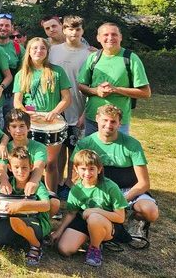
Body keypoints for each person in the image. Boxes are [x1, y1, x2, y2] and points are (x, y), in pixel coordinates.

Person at [72, 104, 159, 241]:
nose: (108, 125)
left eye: (113, 121)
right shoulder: (84, 143)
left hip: (127, 190)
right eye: (105, 120)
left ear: (120, 124)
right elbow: (75, 177)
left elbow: (144, 183)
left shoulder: (132, 144)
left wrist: (122, 201)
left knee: (151, 212)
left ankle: (136, 221)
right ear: (97, 119)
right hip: (99, 189)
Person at [13, 37, 71, 196]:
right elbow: (17, 101)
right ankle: (28, 194)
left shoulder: (57, 71)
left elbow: (67, 98)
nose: (39, 51)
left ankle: (52, 196)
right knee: (29, 161)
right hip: (30, 122)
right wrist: (26, 113)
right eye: (35, 48)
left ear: (47, 51)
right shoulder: (22, 74)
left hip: (51, 122)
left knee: (50, 163)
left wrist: (54, 112)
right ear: (29, 52)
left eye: (42, 48)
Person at [51, 149, 129, 267]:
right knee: (64, 249)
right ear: (76, 169)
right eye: (83, 169)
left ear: (99, 169)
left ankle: (95, 248)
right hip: (85, 220)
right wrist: (59, 231)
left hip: (107, 223)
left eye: (91, 169)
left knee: (94, 218)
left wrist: (95, 211)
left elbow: (120, 217)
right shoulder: (76, 189)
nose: (87, 173)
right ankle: (89, 237)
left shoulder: (111, 187)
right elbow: (71, 213)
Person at [0, 146, 52, 267]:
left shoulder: (37, 185)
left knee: (16, 219)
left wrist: (23, 205)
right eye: (16, 167)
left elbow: (46, 206)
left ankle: (36, 245)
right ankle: (19, 241)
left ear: (31, 166)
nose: (20, 171)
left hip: (33, 222)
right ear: (9, 168)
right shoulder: (7, 184)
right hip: (9, 222)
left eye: (24, 167)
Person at [77, 22, 151, 135]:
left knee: (115, 152)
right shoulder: (93, 58)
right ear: (98, 38)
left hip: (117, 121)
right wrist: (96, 91)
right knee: (91, 152)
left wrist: (115, 89)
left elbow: (146, 93)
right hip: (93, 119)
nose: (110, 38)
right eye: (106, 35)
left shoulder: (130, 58)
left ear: (120, 37)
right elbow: (81, 85)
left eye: (114, 34)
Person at [49, 15, 91, 198]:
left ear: (82, 31)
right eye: (70, 29)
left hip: (79, 109)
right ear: (63, 30)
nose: (73, 33)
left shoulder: (90, 54)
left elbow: (91, 85)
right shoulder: (53, 51)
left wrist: (85, 112)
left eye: (78, 29)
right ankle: (58, 183)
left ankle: (71, 183)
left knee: (76, 150)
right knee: (57, 150)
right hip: (56, 110)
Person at [0, 110, 58, 217]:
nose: (18, 130)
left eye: (22, 126)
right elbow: (1, 167)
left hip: (31, 186)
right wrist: (4, 181)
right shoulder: (5, 147)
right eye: (14, 126)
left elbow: (39, 166)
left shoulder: (39, 147)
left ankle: (43, 221)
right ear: (8, 129)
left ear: (28, 127)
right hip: (12, 187)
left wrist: (33, 181)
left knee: (54, 203)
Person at [0, 14, 25, 118]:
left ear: (12, 28)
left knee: (11, 126)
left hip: (10, 96)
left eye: (7, 26)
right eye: (1, 25)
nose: (3, 28)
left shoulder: (18, 48)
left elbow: (24, 72)